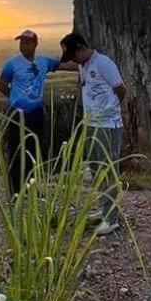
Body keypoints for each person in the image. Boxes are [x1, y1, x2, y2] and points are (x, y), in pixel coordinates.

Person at [58, 32, 126, 237]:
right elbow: (69, 66)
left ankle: (112, 218)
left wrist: (110, 110)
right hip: (91, 124)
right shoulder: (83, 65)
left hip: (107, 125)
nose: (72, 60)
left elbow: (121, 90)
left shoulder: (104, 63)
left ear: (81, 48)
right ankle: (104, 208)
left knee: (108, 170)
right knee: (97, 170)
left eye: (73, 55)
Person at [0, 29, 62, 194]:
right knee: (16, 151)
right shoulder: (11, 64)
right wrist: (17, 98)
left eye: (27, 42)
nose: (23, 46)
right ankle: (15, 190)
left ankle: (31, 187)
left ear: (35, 44)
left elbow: (64, 65)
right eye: (21, 43)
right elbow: (2, 86)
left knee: (34, 150)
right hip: (17, 114)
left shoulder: (43, 62)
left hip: (36, 114)